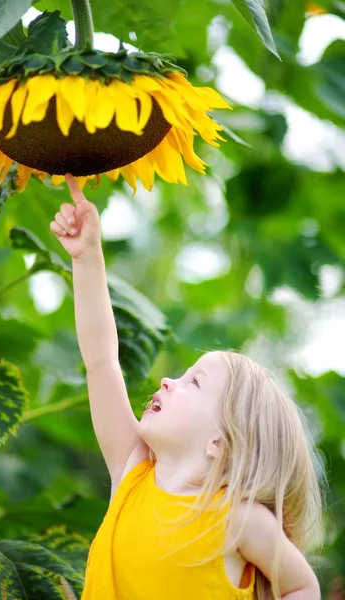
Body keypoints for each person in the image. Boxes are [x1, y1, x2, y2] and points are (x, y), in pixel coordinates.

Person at [50, 173, 325, 600]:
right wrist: (87, 259)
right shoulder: (132, 474)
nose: (167, 381)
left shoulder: (237, 520)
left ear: (221, 442)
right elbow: (102, 360)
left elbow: (302, 586)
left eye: (192, 382)